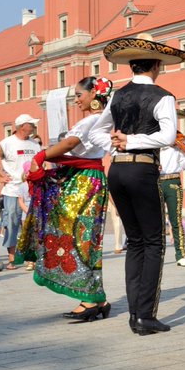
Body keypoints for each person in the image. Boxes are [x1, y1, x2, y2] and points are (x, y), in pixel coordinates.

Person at [92, 33, 185, 335]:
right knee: (153, 241)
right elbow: (168, 137)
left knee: (135, 242)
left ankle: (136, 313)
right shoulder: (163, 96)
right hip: (142, 168)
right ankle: (145, 315)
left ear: (132, 65)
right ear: (157, 64)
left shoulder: (117, 95)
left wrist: (114, 143)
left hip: (116, 171)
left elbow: (96, 132)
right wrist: (131, 141)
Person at [18, 77, 114, 321]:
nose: (77, 100)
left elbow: (70, 143)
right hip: (84, 178)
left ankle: (91, 298)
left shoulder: (92, 119)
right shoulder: (101, 119)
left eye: (80, 95)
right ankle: (97, 298)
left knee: (78, 239)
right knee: (83, 238)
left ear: (94, 94)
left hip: (83, 183)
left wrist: (40, 157)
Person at [0, 114, 41, 267]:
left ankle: (31, 258)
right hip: (12, 190)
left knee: (31, 224)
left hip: (31, 190)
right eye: (31, 124)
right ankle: (12, 258)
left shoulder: (35, 144)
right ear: (22, 126)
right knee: (12, 223)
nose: (34, 126)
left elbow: (39, 164)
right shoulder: (7, 143)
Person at [158, 137, 185, 268]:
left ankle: (181, 255)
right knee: (157, 221)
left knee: (176, 220)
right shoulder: (153, 146)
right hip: (156, 181)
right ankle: (156, 254)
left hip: (173, 181)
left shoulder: (177, 148)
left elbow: (184, 166)